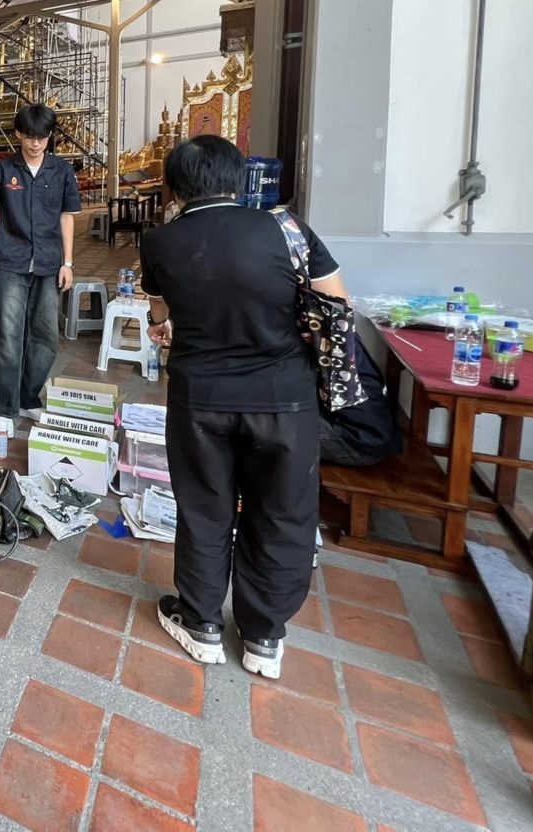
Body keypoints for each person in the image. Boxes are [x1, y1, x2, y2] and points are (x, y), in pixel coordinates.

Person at [139, 135, 349, 680]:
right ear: (240, 179)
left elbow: (159, 309)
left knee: (204, 505)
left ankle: (201, 622)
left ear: (175, 187)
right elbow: (336, 304)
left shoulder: (160, 241)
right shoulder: (288, 230)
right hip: (283, 398)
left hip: (200, 398)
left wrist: (168, 325)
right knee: (280, 509)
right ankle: (263, 634)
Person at [0, 104, 81, 420]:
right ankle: (4, 407)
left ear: (50, 136)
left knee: (46, 335)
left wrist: (68, 263)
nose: (36, 143)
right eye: (30, 136)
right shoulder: (1, 171)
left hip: (49, 264)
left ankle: (28, 397)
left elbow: (67, 217)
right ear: (18, 134)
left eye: (42, 137)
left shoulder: (62, 171)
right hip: (10, 261)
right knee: (7, 334)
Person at [319, 333, 401, 466]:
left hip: (360, 440)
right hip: (372, 435)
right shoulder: (338, 328)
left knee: (284, 431)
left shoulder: (322, 334)